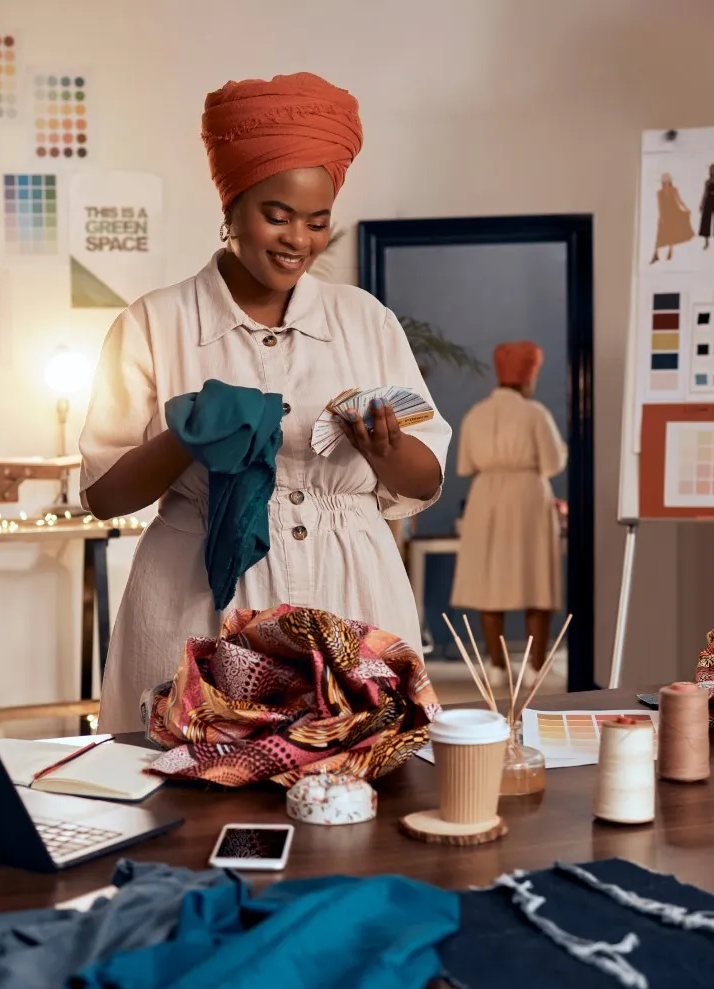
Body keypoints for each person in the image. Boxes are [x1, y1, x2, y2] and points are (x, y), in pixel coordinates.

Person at [80, 72, 450, 735]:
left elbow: (425, 482)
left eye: (316, 222)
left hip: (351, 592)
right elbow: (103, 496)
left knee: (359, 782)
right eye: (275, 215)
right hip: (198, 599)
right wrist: (184, 438)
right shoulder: (153, 323)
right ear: (230, 210)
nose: (296, 240)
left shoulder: (363, 321)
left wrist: (387, 450)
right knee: (193, 785)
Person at [451, 341, 568, 671]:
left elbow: (465, 464)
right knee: (536, 580)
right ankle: (537, 665)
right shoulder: (535, 413)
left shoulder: (476, 413)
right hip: (529, 494)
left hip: (485, 495)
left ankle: (497, 666)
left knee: (490, 583)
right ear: (529, 379)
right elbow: (553, 461)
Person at [650, 172, 695, 264]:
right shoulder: (659, 193)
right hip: (665, 214)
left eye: (666, 181)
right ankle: (656, 254)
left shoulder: (674, 190)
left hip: (674, 213)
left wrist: (686, 209)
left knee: (671, 233)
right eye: (664, 181)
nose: (665, 183)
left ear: (669, 181)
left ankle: (670, 252)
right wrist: (661, 216)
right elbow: (660, 205)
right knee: (661, 234)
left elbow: (679, 201)